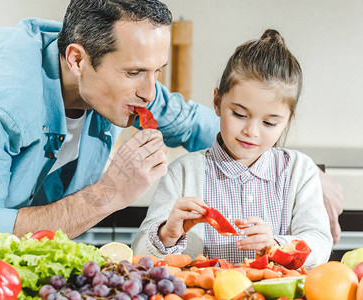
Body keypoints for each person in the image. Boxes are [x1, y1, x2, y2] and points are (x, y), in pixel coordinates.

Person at [0, 0, 342, 243]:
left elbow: (198, 124)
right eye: (135, 72)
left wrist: (297, 169)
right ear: (77, 59)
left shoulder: (121, 86)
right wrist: (108, 195)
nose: (150, 91)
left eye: (157, 70)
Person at [132, 29, 333, 268]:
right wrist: (168, 233)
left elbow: (320, 242)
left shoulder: (299, 171)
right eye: (239, 114)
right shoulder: (183, 173)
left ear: (287, 120)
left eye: (269, 122)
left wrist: (276, 245)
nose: (252, 131)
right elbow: (140, 256)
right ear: (217, 102)